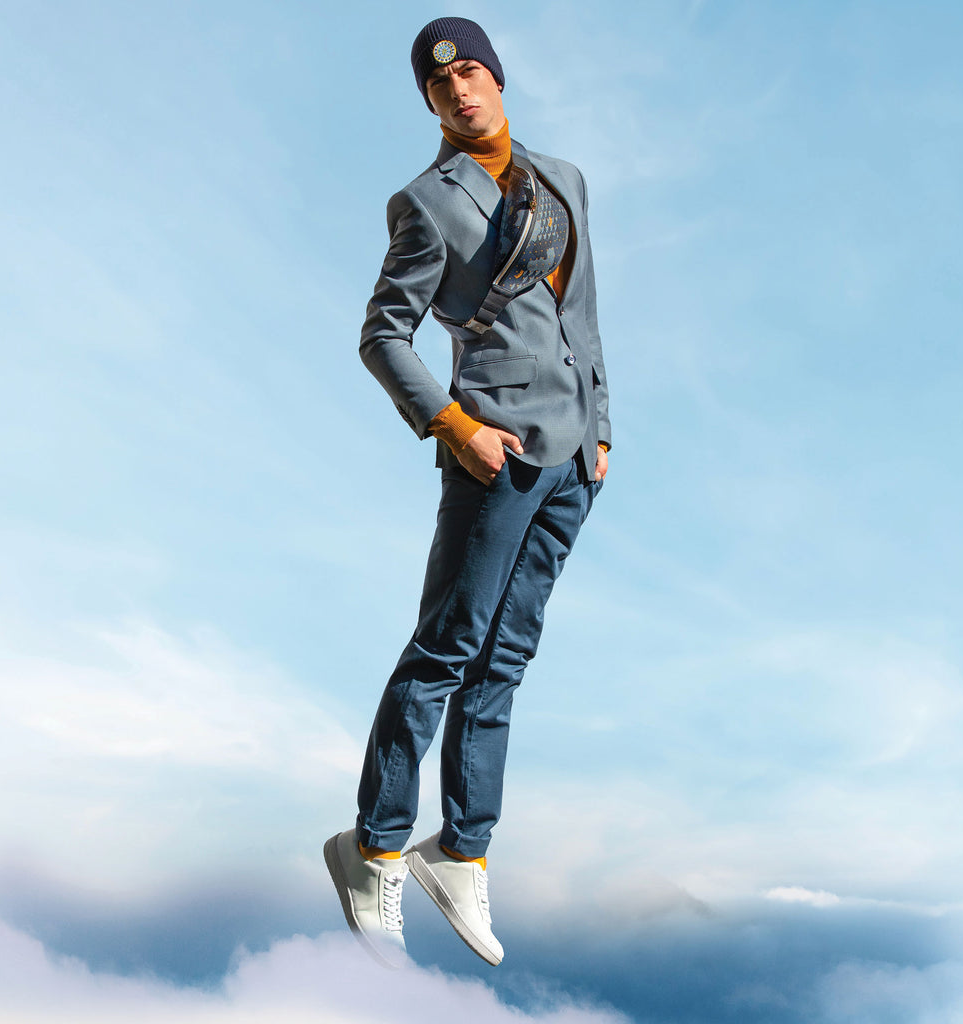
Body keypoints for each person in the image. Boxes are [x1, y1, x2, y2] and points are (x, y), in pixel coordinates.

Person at [324, 16, 611, 969]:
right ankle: (372, 848)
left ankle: (462, 851)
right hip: (493, 455)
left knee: (506, 660)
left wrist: (603, 429)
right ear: (431, 101)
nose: (459, 89)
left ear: (497, 78)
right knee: (446, 649)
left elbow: (582, 314)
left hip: (572, 462)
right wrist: (457, 427)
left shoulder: (562, 180)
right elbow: (383, 334)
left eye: (472, 72)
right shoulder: (425, 201)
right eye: (440, 84)